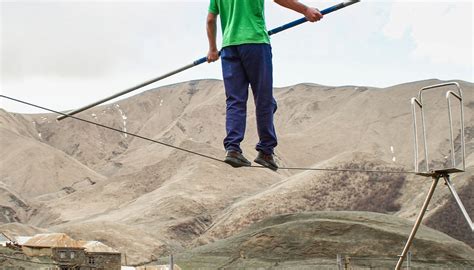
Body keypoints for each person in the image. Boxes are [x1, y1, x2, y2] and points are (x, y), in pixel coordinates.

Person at [206, 0, 322, 171]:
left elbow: (210, 19)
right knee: (263, 98)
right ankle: (266, 151)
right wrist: (305, 10)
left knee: (235, 101)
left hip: (229, 47)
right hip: (255, 42)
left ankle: (232, 149)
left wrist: (213, 49)